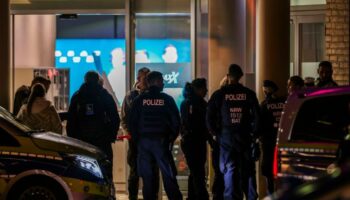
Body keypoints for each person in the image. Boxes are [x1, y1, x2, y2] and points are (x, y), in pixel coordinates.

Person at [207, 64, 260, 200]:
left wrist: (216, 134)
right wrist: (254, 135)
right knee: (248, 169)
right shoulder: (249, 94)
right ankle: (251, 197)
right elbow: (257, 116)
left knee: (229, 170)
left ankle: (231, 197)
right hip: (245, 136)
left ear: (228, 76)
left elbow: (209, 116)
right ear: (240, 76)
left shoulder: (220, 94)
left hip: (226, 137)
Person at [128, 71, 182, 200]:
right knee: (169, 177)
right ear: (156, 82)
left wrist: (138, 141)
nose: (163, 83)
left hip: (144, 144)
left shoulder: (139, 100)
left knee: (148, 180)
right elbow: (176, 122)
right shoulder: (167, 100)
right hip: (162, 143)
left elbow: (132, 123)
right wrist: (170, 139)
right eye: (161, 80)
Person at [121, 67, 159, 200]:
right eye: (145, 78)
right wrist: (131, 134)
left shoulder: (155, 95)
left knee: (152, 173)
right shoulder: (131, 96)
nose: (148, 81)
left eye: (149, 78)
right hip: (135, 142)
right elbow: (124, 118)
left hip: (152, 141)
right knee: (134, 173)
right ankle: (133, 197)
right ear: (138, 79)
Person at [66, 71, 120, 164]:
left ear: (85, 80)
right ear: (97, 80)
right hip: (102, 140)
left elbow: (71, 119)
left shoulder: (77, 96)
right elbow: (114, 117)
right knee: (104, 166)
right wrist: (111, 136)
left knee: (83, 167)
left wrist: (72, 137)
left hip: (81, 140)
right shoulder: (105, 95)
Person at [180, 78, 209, 200]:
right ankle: (201, 196)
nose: (206, 91)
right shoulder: (197, 104)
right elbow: (200, 124)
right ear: (197, 89)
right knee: (198, 171)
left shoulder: (187, 102)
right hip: (195, 141)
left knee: (195, 170)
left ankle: (192, 196)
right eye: (204, 88)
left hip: (190, 141)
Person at [260, 80, 285, 194]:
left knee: (268, 171)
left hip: (268, 142)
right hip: (283, 141)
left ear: (266, 90)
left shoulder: (264, 105)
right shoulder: (285, 102)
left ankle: (271, 194)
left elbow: (258, 123)